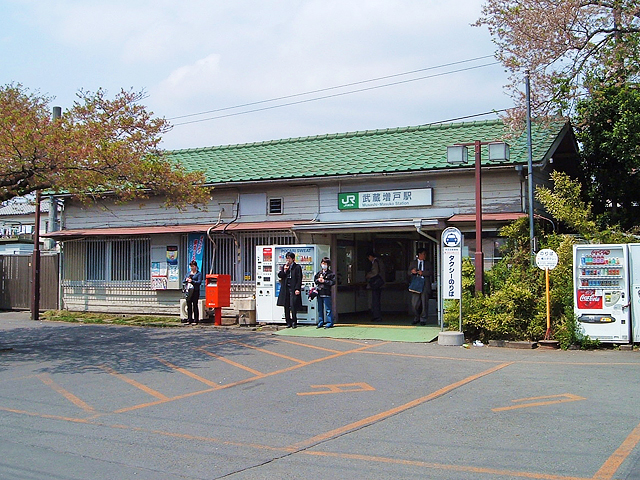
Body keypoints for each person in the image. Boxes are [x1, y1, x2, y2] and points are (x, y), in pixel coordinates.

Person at [277, 251, 303, 328]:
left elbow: (299, 278)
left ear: (293, 259)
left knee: (293, 305)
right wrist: (284, 270)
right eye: (287, 258)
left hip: (293, 288)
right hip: (285, 289)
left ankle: (294, 321)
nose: (288, 260)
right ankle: (288, 321)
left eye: (289, 258)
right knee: (286, 305)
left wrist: (297, 288)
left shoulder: (297, 267)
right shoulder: (285, 266)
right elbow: (280, 275)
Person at [408, 247, 433, 326]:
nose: (424, 255)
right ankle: (416, 317)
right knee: (415, 303)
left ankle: (423, 318)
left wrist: (423, 273)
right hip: (416, 284)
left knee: (424, 302)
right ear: (419, 254)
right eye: (423, 254)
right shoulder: (413, 263)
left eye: (425, 254)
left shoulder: (428, 263)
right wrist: (412, 272)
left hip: (425, 284)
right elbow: (408, 272)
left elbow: (431, 272)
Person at [314, 257, 336, 328]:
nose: (323, 265)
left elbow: (333, 282)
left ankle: (329, 322)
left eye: (325, 263)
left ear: (328, 265)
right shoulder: (319, 273)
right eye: (322, 263)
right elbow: (315, 280)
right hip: (319, 292)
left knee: (328, 309)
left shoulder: (331, 274)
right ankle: (321, 322)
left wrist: (324, 281)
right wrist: (318, 280)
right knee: (320, 309)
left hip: (326, 292)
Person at [365, 251, 383, 322]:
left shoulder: (375, 262)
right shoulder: (379, 261)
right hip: (379, 283)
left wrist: (368, 275)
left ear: (370, 256)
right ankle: (376, 315)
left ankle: (377, 316)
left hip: (376, 284)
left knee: (375, 300)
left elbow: (375, 272)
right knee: (376, 300)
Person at [184, 260, 203, 325]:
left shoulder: (199, 274)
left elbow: (199, 282)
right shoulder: (188, 273)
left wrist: (192, 281)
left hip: (195, 291)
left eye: (193, 266)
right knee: (189, 305)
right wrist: (186, 280)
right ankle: (189, 319)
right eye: (191, 266)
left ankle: (196, 320)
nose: (192, 267)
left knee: (195, 305)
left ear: (196, 266)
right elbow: (184, 280)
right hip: (188, 290)